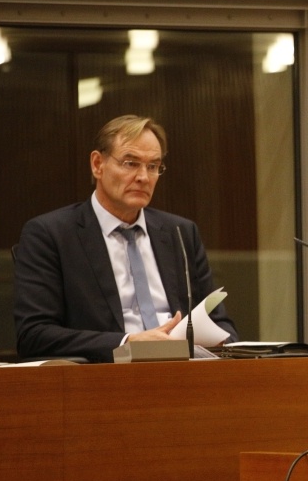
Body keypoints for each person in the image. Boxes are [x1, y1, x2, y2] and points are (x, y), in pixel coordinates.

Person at [13, 115, 238, 363]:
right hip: (106, 378)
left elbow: (219, 321)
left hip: (186, 371)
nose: (143, 177)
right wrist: (128, 342)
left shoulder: (180, 232)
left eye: (153, 166)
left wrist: (222, 341)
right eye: (131, 163)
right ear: (98, 164)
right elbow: (34, 335)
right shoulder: (51, 234)